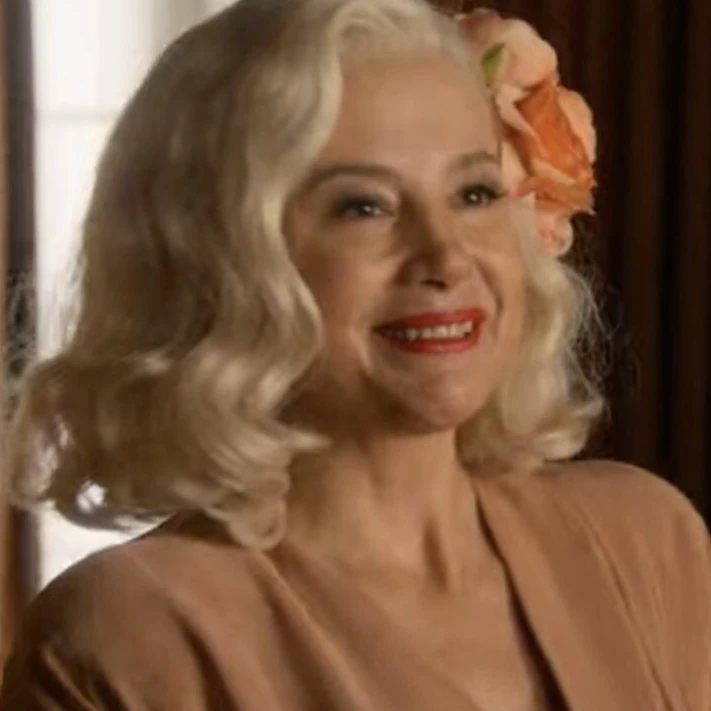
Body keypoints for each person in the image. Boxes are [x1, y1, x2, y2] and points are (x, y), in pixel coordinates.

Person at [1, 0, 709, 708]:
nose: (446, 256)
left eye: (473, 193)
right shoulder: (123, 639)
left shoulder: (645, 541)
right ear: (218, 259)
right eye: (364, 207)